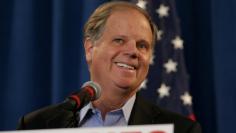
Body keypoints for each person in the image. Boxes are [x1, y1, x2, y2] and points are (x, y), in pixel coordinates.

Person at [17, 1, 201, 133]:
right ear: (90, 48)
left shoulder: (181, 130)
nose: (133, 51)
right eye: (119, 40)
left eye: (142, 45)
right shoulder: (36, 125)